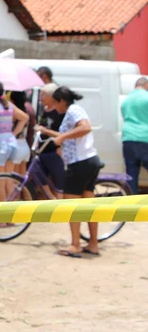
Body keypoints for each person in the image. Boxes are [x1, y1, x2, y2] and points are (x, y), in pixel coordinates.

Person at [47, 86, 102, 258]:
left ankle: (75, 244)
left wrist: (62, 138)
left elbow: (85, 128)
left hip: (79, 164)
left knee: (72, 205)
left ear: (62, 101)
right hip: (89, 161)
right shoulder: (73, 111)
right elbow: (75, 132)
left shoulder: (73, 110)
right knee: (88, 205)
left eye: (56, 104)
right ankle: (93, 243)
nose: (55, 108)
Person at [0, 80, 29, 203]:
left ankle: (0, 219)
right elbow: (24, 118)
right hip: (12, 143)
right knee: (8, 179)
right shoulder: (8, 105)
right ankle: (11, 215)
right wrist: (13, 133)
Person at [34, 83, 65, 199]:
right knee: (40, 179)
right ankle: (52, 201)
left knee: (58, 184)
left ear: (52, 97)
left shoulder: (60, 112)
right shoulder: (43, 110)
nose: (40, 98)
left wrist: (46, 131)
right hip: (42, 150)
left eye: (43, 95)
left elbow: (64, 134)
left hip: (54, 152)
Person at [121, 77, 148, 194]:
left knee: (131, 173)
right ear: (146, 85)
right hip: (145, 137)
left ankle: (132, 199)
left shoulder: (126, 100)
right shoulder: (146, 98)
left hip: (128, 138)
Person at [9, 91, 36, 176]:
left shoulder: (13, 113)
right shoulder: (26, 112)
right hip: (25, 146)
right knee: (20, 182)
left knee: (12, 182)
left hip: (16, 146)